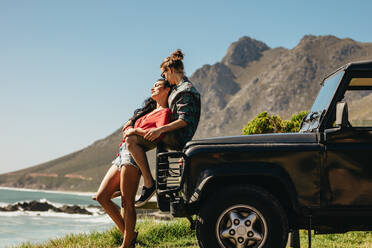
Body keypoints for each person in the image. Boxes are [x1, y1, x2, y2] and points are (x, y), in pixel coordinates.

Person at [95, 79, 172, 248]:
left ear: (167, 90)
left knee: (126, 202)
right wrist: (130, 124)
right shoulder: (149, 111)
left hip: (133, 156)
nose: (152, 87)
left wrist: (135, 130)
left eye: (157, 85)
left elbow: (155, 135)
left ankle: (127, 244)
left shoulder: (164, 112)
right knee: (102, 197)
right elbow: (129, 131)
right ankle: (129, 235)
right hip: (121, 154)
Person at [127, 49, 201, 207]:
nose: (164, 78)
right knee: (134, 142)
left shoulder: (185, 90)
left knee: (132, 140)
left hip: (177, 138)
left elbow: (183, 120)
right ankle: (129, 183)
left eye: (164, 74)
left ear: (171, 70)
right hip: (171, 135)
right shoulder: (178, 89)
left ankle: (147, 183)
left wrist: (160, 130)